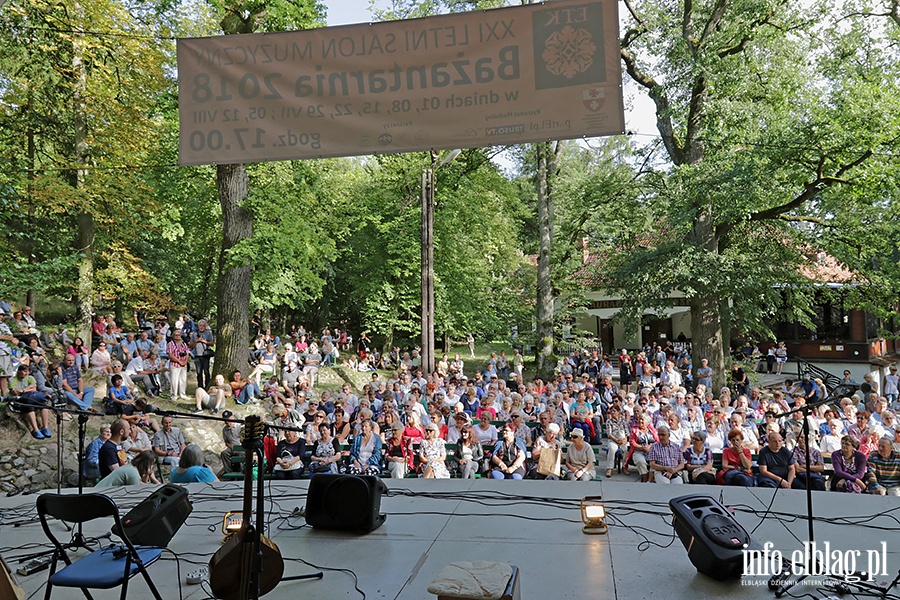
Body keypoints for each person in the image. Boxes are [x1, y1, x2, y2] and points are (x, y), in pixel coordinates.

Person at [10, 364, 52, 440]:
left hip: (31, 397)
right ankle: (36, 429)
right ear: (19, 371)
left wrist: (23, 390)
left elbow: (34, 388)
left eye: (28, 371)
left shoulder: (30, 378)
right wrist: (28, 389)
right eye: (24, 371)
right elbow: (15, 392)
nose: (26, 373)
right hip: (20, 400)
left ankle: (45, 427)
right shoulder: (12, 379)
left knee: (44, 405)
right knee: (29, 406)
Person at [189, 319, 215, 390]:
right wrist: (196, 341)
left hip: (205, 355)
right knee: (199, 372)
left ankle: (207, 386)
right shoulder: (194, 334)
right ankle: (200, 387)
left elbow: (212, 343)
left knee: (206, 372)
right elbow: (190, 346)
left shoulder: (208, 333)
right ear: (198, 326)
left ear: (205, 326)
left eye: (203, 326)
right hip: (197, 355)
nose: (202, 327)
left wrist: (204, 341)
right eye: (200, 325)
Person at [167, 330, 191, 401]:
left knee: (183, 380)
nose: (178, 336)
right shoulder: (170, 344)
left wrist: (185, 361)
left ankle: (182, 394)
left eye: (179, 335)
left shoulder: (183, 344)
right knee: (174, 380)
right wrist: (179, 361)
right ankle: (174, 395)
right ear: (173, 336)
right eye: (176, 335)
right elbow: (170, 355)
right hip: (175, 364)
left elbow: (187, 353)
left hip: (184, 365)